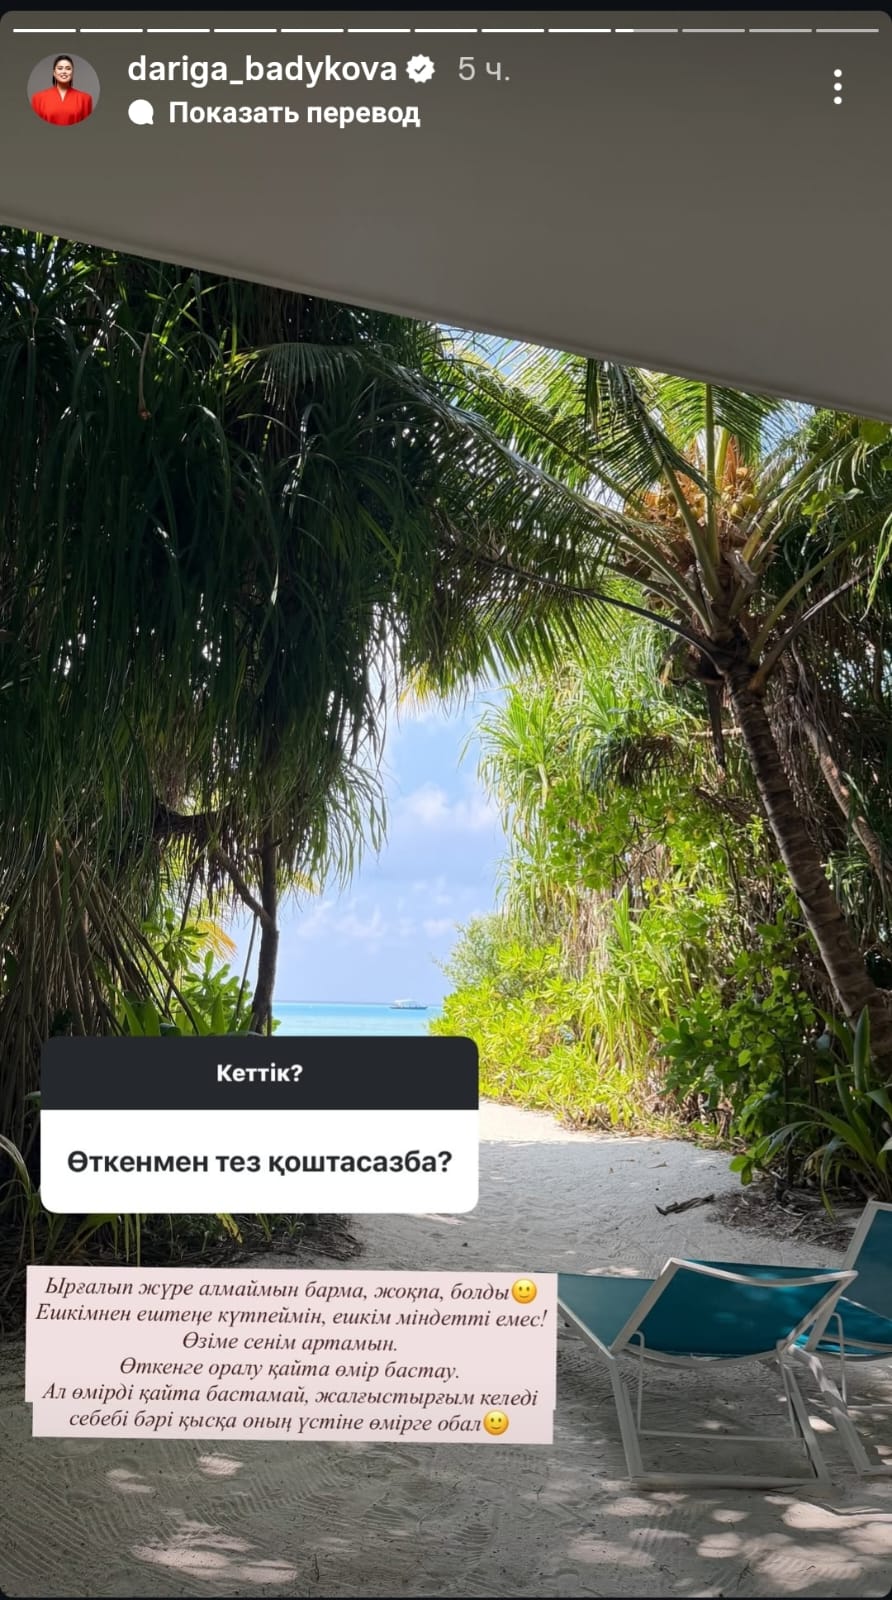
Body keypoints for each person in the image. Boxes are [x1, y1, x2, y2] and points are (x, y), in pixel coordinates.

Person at [31, 56, 93, 126]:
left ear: (72, 73)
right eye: (60, 68)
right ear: (54, 73)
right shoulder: (38, 98)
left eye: (68, 68)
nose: (64, 72)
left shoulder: (85, 99)